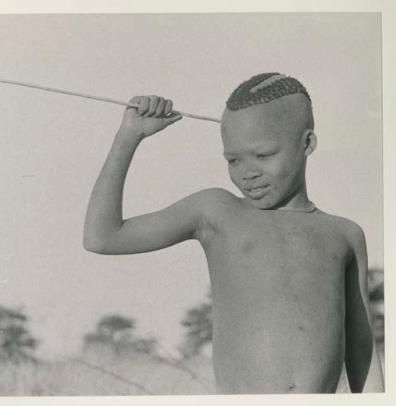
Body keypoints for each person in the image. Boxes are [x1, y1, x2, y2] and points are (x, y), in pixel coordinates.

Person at [83, 72, 384, 393]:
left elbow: (361, 350)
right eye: (234, 160)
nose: (248, 173)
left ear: (307, 143)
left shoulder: (344, 234)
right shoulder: (217, 211)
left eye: (264, 155)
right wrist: (129, 136)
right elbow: (102, 237)